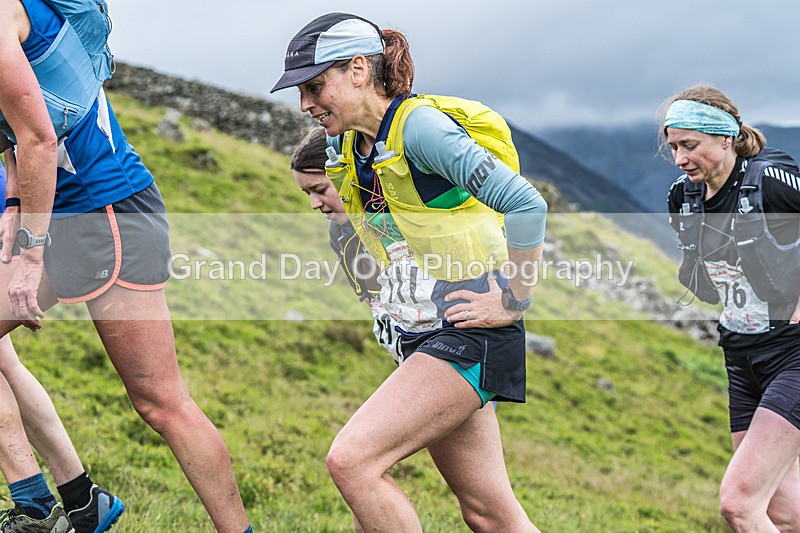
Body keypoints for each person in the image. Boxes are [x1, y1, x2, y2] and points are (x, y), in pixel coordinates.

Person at [274, 13, 547, 532]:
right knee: (489, 514)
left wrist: (514, 299)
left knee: (352, 461)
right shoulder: (343, 147)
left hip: (468, 327)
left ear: (358, 70)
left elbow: (527, 205)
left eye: (314, 86)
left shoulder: (419, 128)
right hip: (421, 335)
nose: (306, 105)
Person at [0, 1, 251, 531]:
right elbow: (12, 132)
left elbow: (40, 138)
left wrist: (26, 256)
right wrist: (13, 206)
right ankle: (68, 502)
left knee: (160, 402)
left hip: (107, 211)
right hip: (64, 211)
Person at [663, 84, 800, 531]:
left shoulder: (771, 180)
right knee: (781, 510)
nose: (681, 158)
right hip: (741, 358)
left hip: (793, 353)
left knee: (739, 504)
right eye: (673, 147)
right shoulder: (682, 197)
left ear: (725, 138)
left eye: (690, 145)